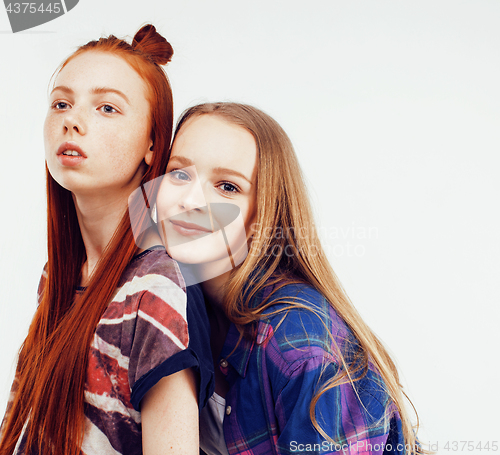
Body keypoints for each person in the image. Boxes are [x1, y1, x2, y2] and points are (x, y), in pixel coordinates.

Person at [152, 102, 422, 455]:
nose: (191, 200)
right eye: (179, 174)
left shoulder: (301, 345)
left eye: (228, 187)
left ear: (261, 215)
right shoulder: (173, 300)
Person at [0, 25, 213, 455]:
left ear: (153, 143)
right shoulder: (59, 277)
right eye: (61, 103)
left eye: (107, 108)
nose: (71, 120)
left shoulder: (156, 289)